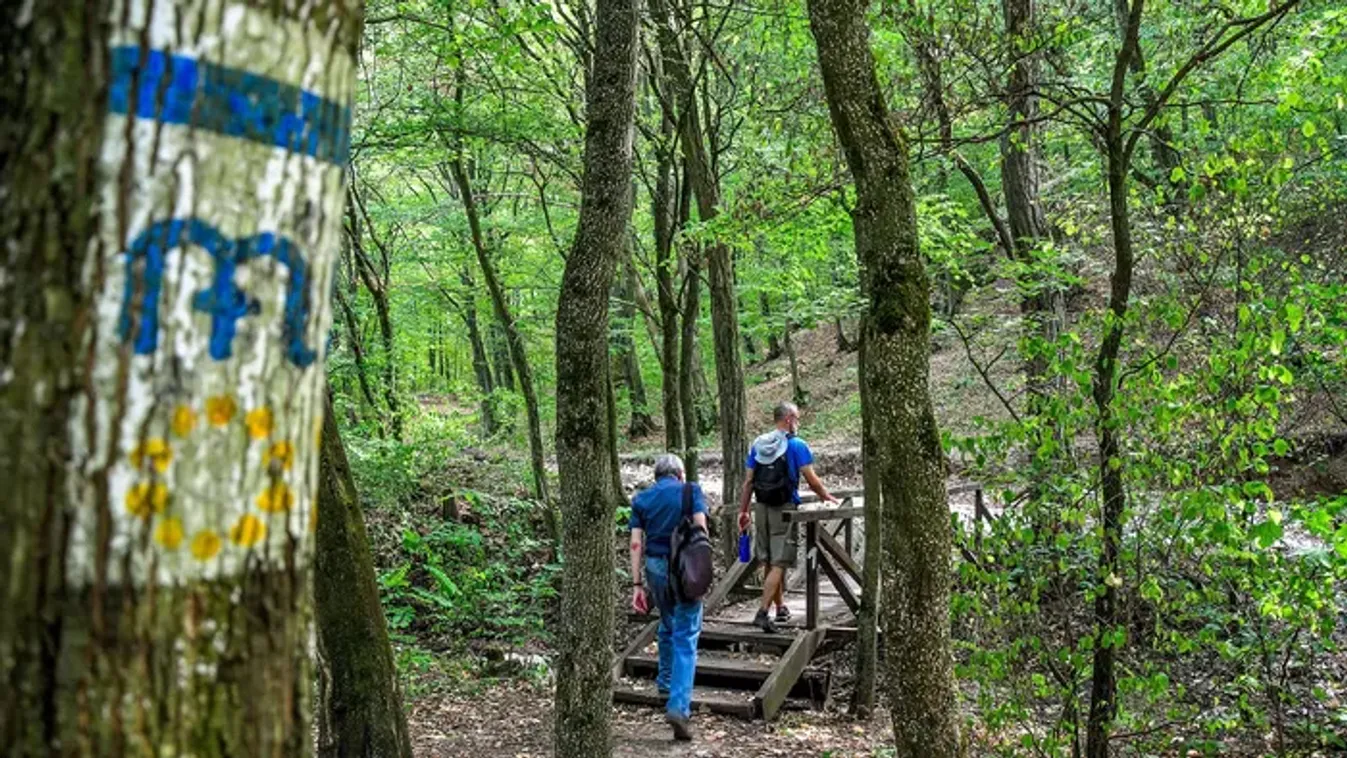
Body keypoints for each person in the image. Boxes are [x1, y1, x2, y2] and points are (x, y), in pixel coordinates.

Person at [737, 401, 838, 633]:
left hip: (761, 507)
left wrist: (744, 511)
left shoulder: (758, 444)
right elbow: (811, 479)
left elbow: (748, 482)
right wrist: (826, 496)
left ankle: (780, 607)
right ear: (789, 419)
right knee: (780, 562)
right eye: (797, 418)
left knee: (769, 560)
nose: (798, 423)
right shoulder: (796, 445)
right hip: (784, 508)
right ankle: (763, 613)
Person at [629, 453, 708, 741]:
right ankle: (678, 707)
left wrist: (637, 585)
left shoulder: (641, 499)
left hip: (655, 568)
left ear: (657, 476)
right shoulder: (691, 491)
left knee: (667, 619)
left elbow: (636, 543)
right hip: (684, 567)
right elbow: (701, 530)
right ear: (679, 473)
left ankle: (664, 682)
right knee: (686, 635)